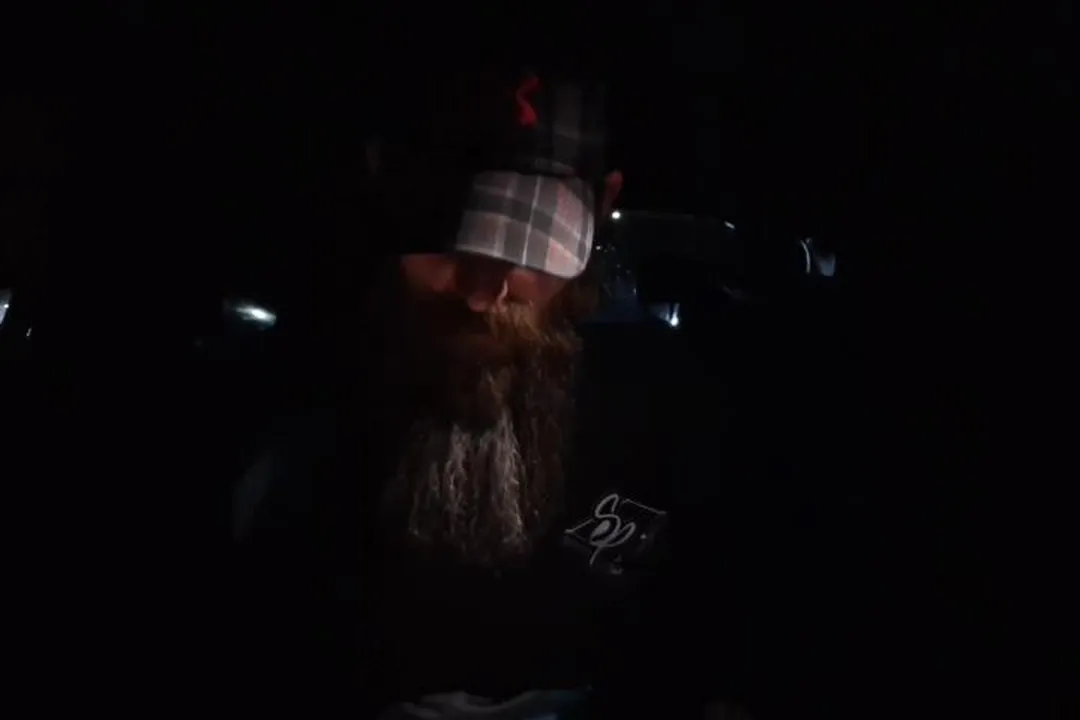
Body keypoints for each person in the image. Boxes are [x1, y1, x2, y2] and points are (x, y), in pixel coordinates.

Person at [233, 65, 755, 719]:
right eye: (445, 232)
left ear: (600, 207)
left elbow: (717, 636)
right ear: (380, 183)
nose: (484, 292)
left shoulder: (671, 408)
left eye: (528, 240)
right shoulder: (291, 408)